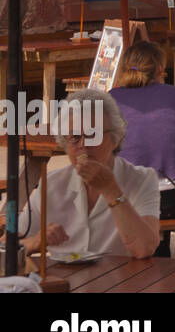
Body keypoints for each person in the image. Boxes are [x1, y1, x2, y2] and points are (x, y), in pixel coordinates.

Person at [16, 89, 160, 261]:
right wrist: (34, 242)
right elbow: (5, 247)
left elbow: (144, 248)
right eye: (75, 137)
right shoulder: (52, 184)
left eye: (94, 134)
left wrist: (110, 189)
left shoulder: (142, 179)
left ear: (115, 139)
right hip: (65, 283)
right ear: (64, 143)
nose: (84, 144)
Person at [110, 41, 175, 257]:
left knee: (146, 206)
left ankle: (154, 267)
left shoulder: (110, 99)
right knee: (174, 208)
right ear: (160, 69)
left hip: (125, 198)